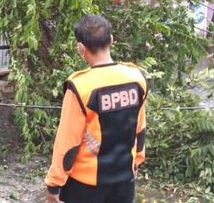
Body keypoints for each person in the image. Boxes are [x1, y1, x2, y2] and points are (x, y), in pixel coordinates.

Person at [45, 15, 147, 203]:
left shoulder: (80, 87)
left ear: (81, 48)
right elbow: (140, 130)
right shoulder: (136, 78)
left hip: (85, 186)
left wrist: (54, 184)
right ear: (111, 40)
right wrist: (137, 162)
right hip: (125, 180)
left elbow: (68, 141)